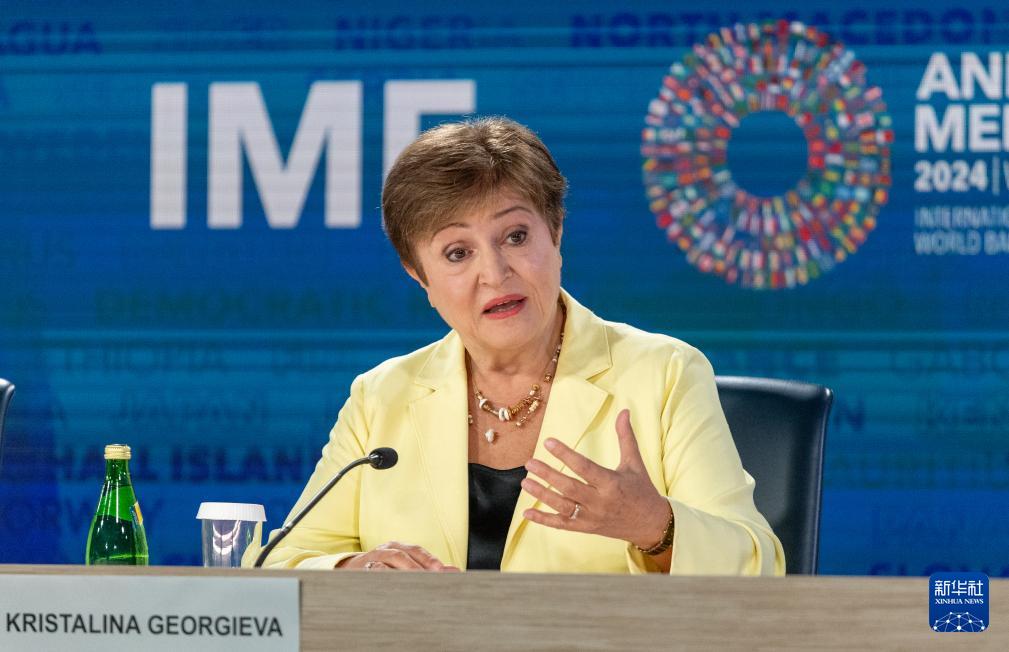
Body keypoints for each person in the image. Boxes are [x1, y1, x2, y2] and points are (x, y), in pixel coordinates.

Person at [254, 117, 785, 574]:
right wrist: (355, 569)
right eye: (458, 253)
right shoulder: (381, 397)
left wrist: (655, 527)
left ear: (556, 233)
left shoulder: (663, 374)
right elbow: (281, 563)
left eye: (515, 236)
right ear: (419, 275)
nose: (495, 272)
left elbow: (759, 566)